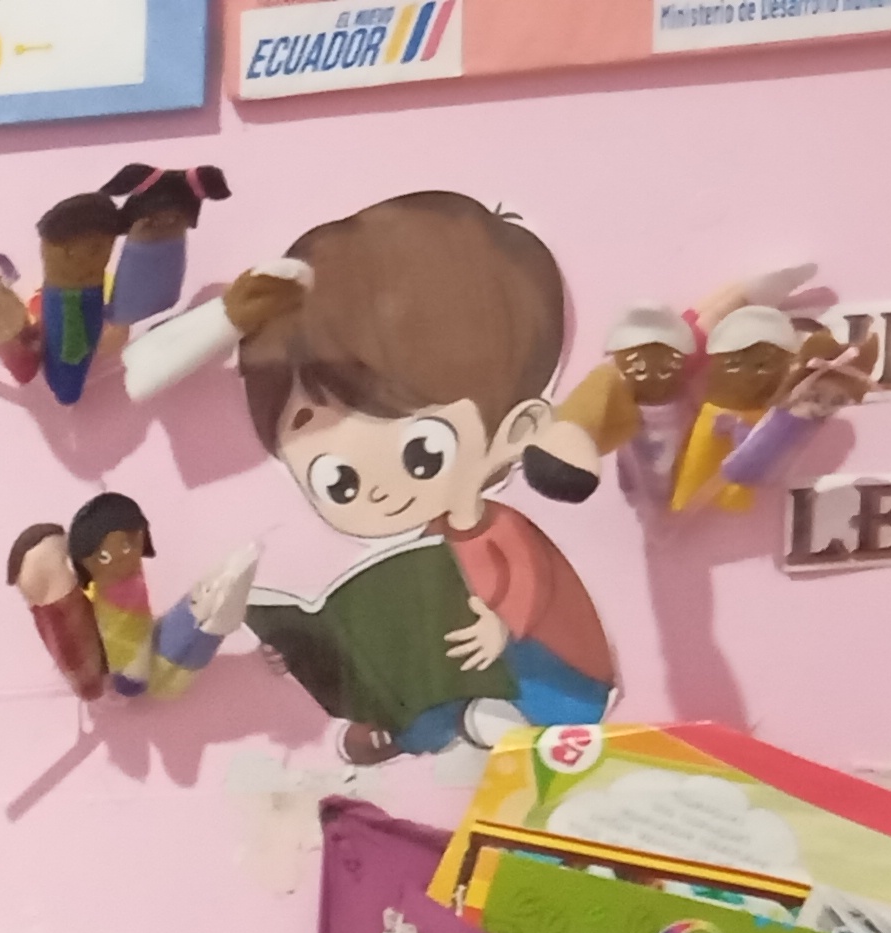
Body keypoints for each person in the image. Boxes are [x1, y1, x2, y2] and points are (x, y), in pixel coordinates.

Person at [235, 191, 619, 764]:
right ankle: (406, 729)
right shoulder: (423, 549)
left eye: (422, 454)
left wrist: (501, 626)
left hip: (553, 670)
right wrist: (304, 652)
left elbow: (530, 585)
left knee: (494, 671)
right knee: (426, 672)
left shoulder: (499, 528)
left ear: (515, 430)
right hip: (468, 672)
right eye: (339, 481)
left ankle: (505, 717)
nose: (378, 490)